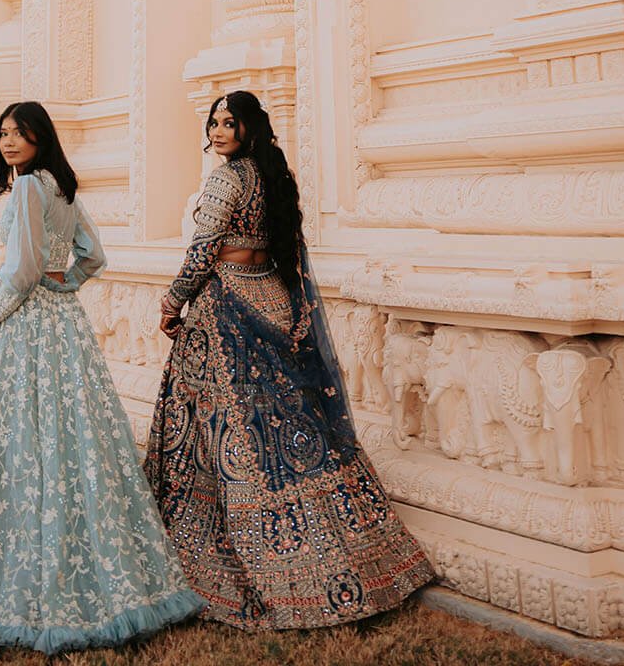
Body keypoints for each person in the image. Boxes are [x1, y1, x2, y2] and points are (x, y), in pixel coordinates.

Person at [0, 101, 202, 653]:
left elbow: (21, 273)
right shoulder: (60, 188)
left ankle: (2, 568)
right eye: (3, 133)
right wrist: (64, 283)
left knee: (9, 438)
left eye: (20, 133)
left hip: (22, 322)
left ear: (40, 138)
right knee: (66, 440)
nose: (9, 142)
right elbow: (94, 255)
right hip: (63, 325)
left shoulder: (27, 187)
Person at [145, 90, 434, 630]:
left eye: (229, 123)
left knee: (231, 434)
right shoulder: (275, 176)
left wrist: (171, 301)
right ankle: (351, 547)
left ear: (249, 128)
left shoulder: (227, 179)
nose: (218, 132)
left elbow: (203, 251)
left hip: (227, 306)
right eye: (213, 123)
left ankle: (259, 558)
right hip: (272, 297)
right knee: (295, 428)